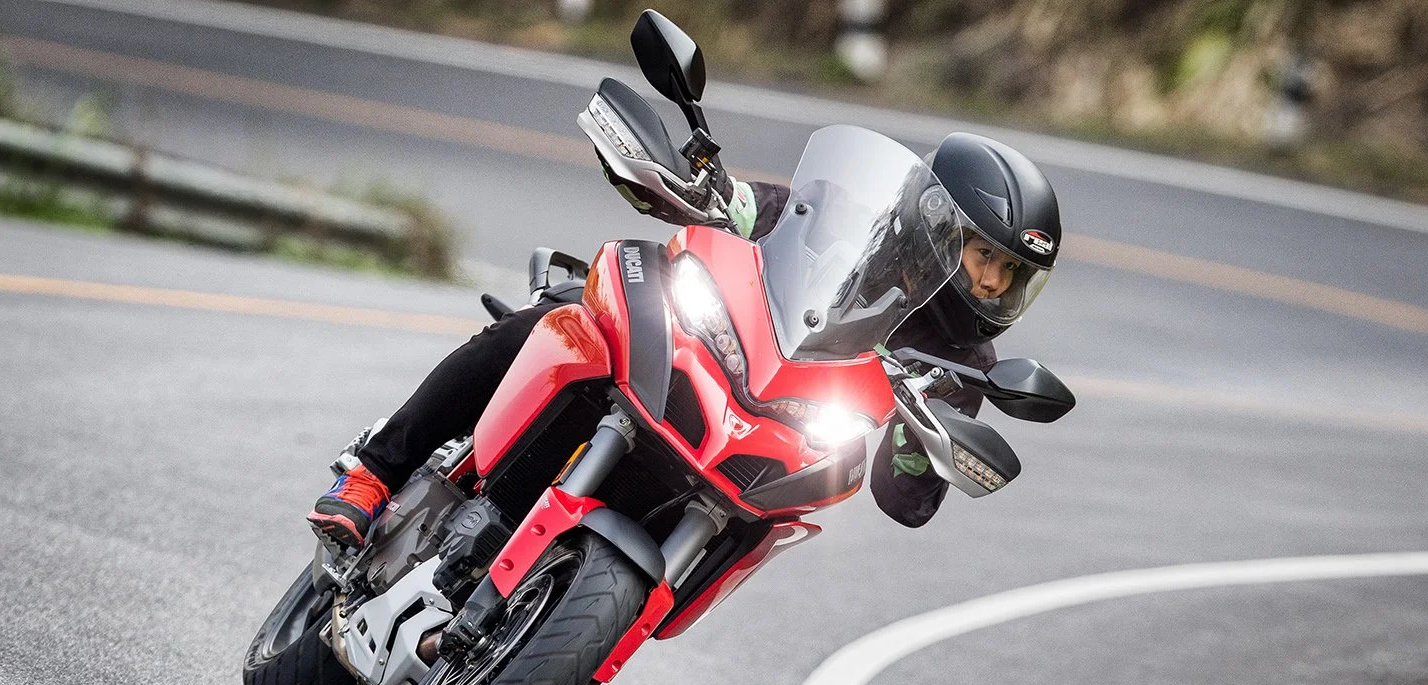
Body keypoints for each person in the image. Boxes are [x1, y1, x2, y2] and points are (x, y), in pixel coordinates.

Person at [307, 132, 1061, 545]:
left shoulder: (966, 364)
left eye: (1011, 273)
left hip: (776, 438)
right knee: (561, 323)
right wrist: (695, 187)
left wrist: (919, 438)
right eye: (985, 255)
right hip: (702, 352)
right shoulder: (858, 230)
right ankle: (373, 472)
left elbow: (907, 499)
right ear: (937, 223)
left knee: (774, 523)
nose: (992, 283)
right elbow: (753, 210)